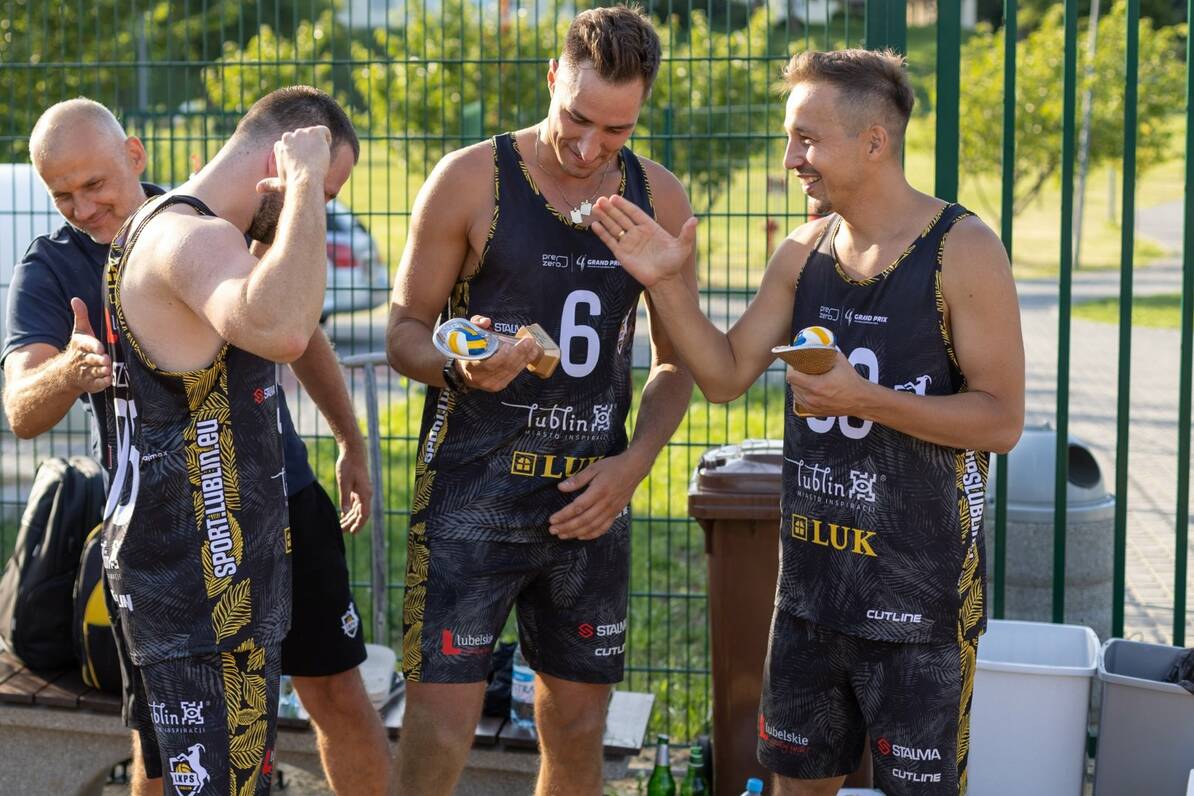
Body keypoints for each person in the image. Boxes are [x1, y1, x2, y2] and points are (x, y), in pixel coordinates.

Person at [587, 49, 1025, 796]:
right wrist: (666, 284)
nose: (790, 159)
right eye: (790, 139)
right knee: (797, 787)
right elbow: (724, 374)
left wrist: (864, 399)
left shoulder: (963, 249)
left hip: (920, 608)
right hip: (810, 596)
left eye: (807, 140)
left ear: (874, 142)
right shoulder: (802, 251)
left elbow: (1000, 420)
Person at [3, 91, 387, 794]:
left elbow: (296, 326)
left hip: (276, 501)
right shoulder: (108, 254)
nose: (82, 207)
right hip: (179, 544)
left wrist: (349, 439)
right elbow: (21, 407)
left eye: (94, 184)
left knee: (334, 694)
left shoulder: (200, 222)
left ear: (134, 155)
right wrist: (69, 370)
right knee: (166, 747)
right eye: (62, 196)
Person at [385, 6, 696, 794]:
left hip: (589, 502)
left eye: (616, 131)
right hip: (470, 499)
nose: (589, 148)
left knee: (579, 728)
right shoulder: (470, 179)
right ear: (552, 78)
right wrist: (460, 367)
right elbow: (404, 332)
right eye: (576, 118)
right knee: (439, 732)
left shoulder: (658, 195)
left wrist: (634, 464)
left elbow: (679, 361)